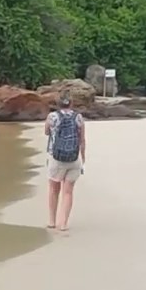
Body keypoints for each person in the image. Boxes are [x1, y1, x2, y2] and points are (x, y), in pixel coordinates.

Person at [44, 94, 85, 231]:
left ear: (58, 104)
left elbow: (46, 132)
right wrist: (82, 158)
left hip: (56, 158)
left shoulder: (52, 116)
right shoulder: (78, 117)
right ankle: (64, 224)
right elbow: (82, 140)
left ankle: (51, 221)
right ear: (71, 103)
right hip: (74, 158)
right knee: (68, 192)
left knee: (53, 190)